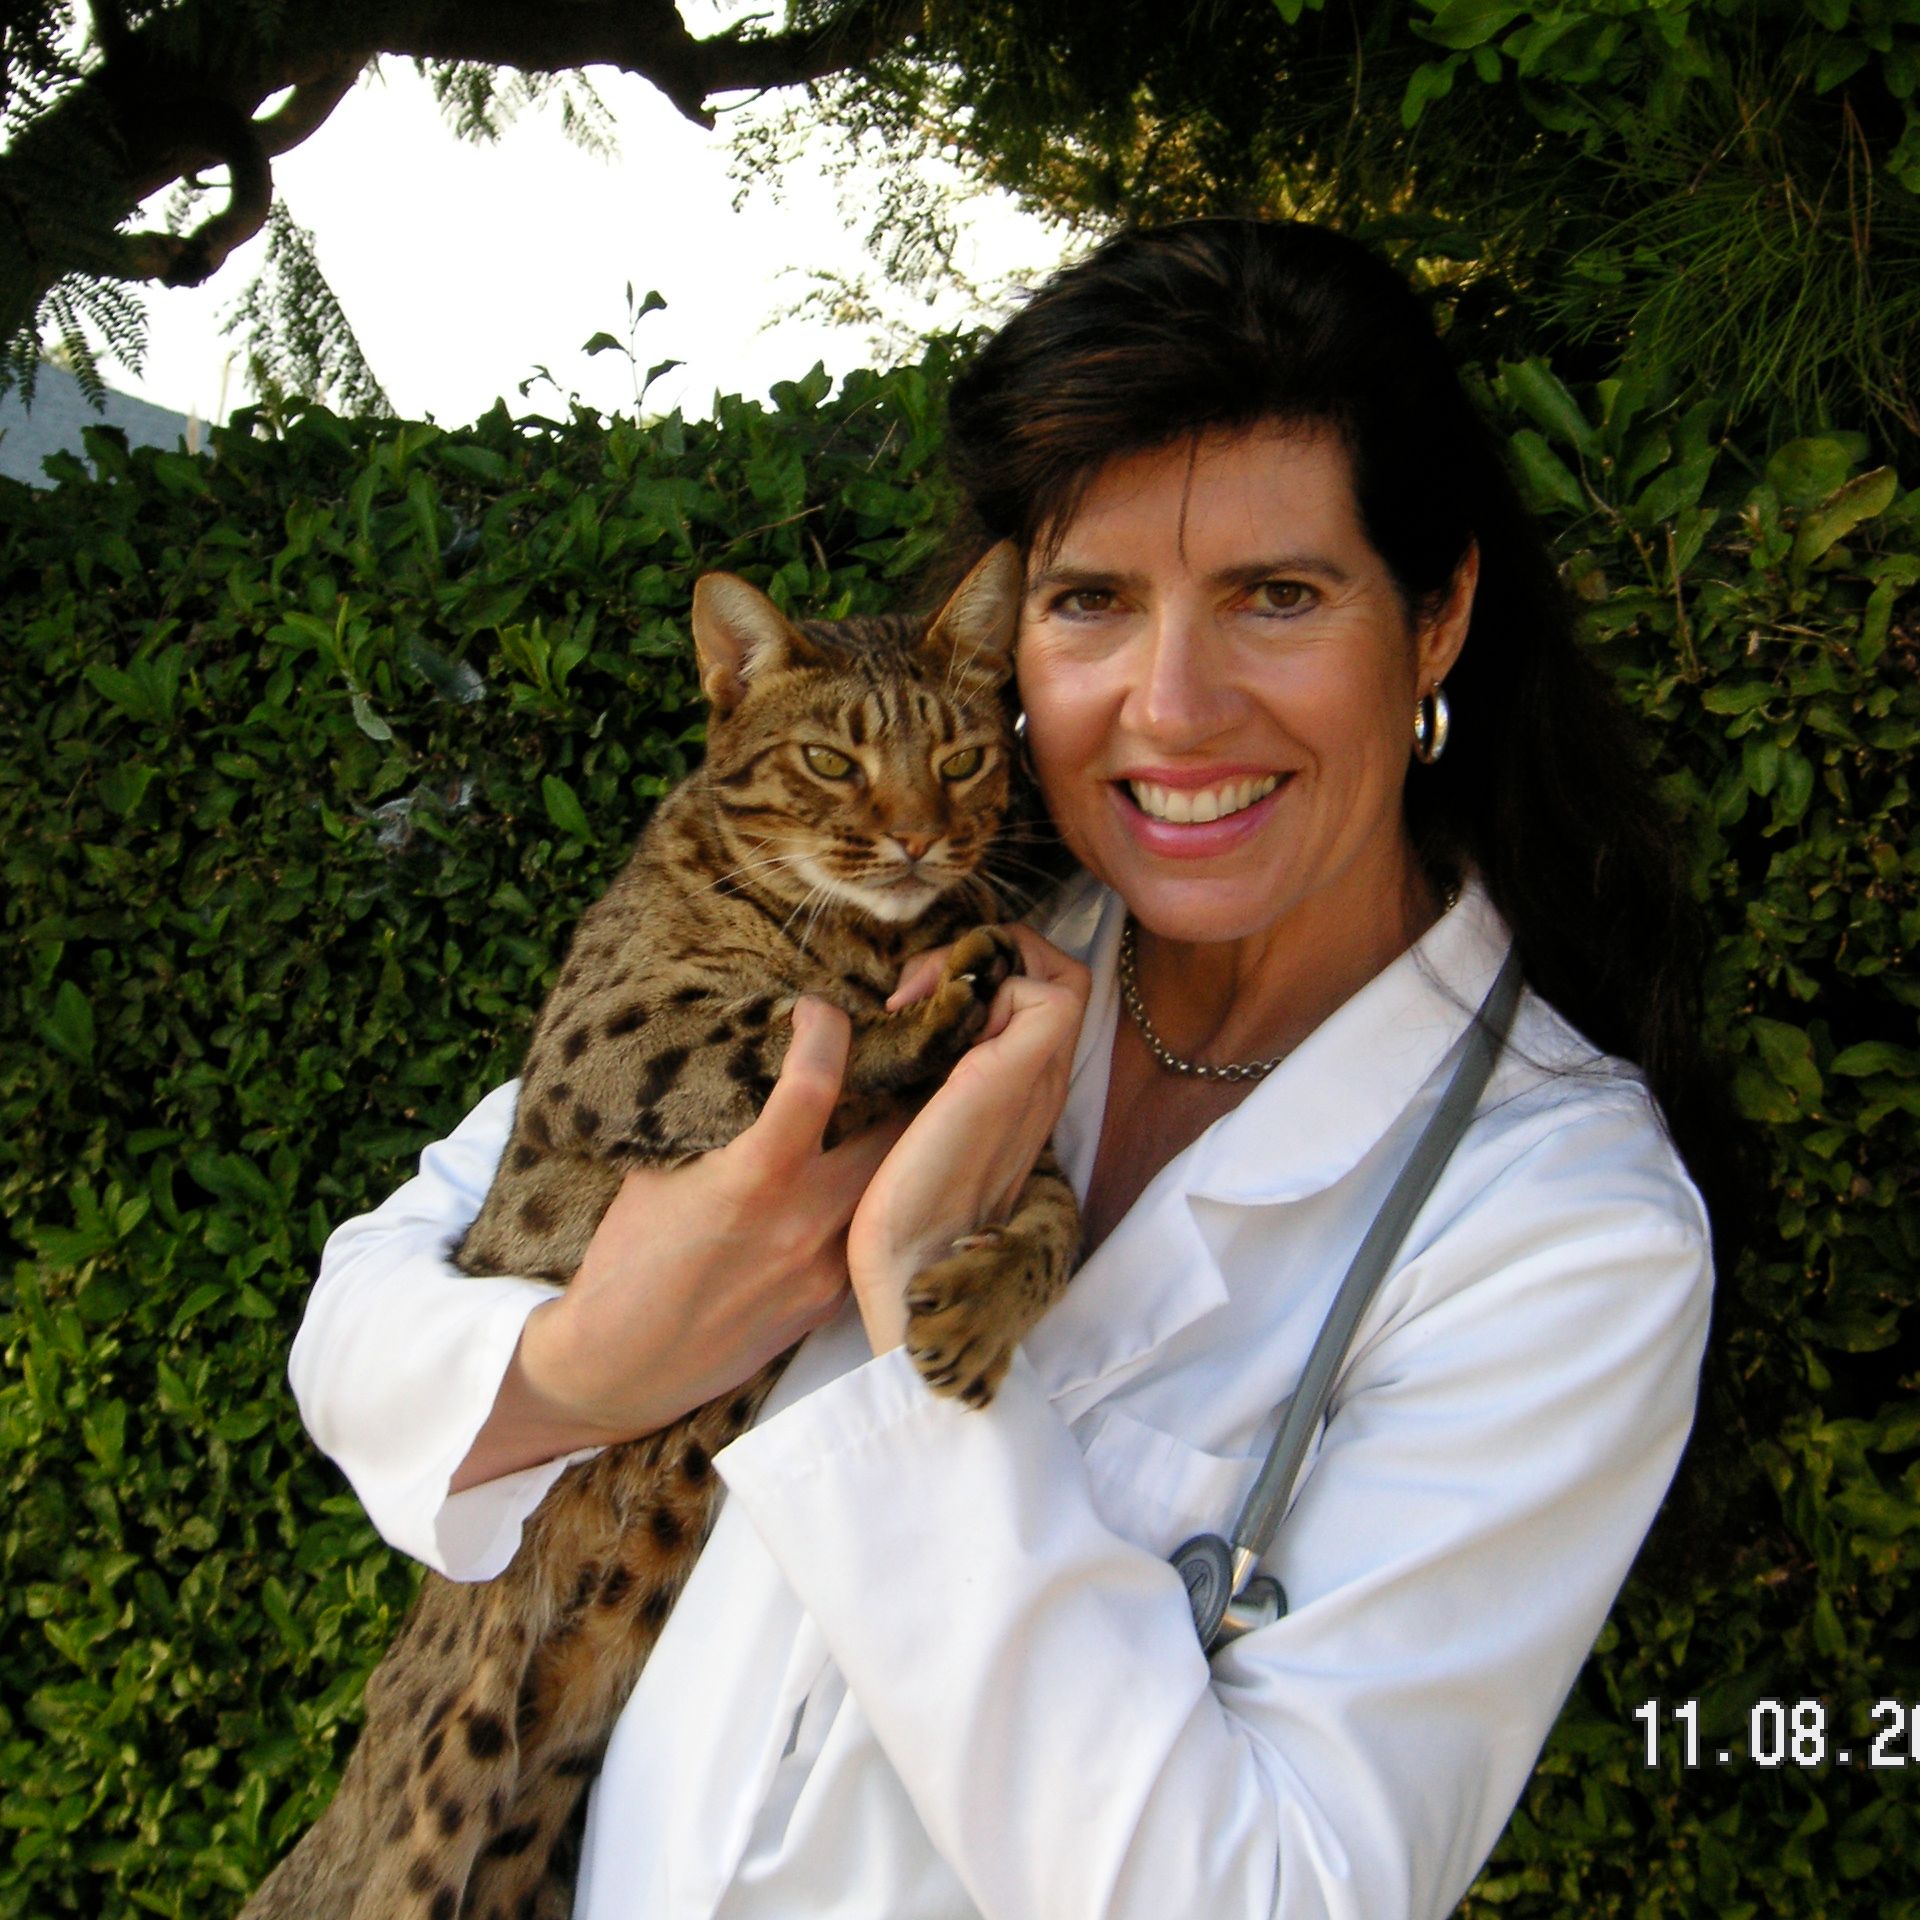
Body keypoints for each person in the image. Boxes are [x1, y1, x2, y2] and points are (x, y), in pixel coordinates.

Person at [291, 219, 1716, 1919]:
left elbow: (1273, 1893)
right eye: (1093, 602)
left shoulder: (1565, 1227)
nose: (1170, 709)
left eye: (1277, 594)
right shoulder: (932, 931)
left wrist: (915, 1313)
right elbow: (361, 1315)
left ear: (1435, 621)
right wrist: (591, 1361)